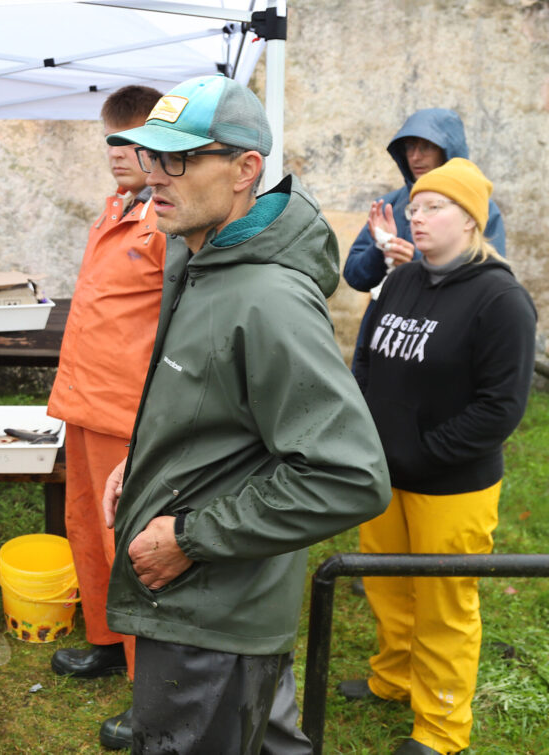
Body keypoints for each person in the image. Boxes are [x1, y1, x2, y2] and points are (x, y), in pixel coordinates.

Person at [99, 74, 392, 754]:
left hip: (212, 610)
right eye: (150, 157)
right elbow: (220, 410)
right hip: (208, 606)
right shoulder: (199, 255)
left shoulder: (267, 299)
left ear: (245, 169)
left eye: (177, 159)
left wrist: (192, 537)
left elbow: (348, 476)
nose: (154, 178)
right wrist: (143, 463)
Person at [339, 158, 536, 755]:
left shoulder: (501, 301)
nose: (415, 217)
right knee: (388, 588)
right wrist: (371, 438)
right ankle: (394, 678)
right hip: (384, 475)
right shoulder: (401, 279)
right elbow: (367, 356)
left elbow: (499, 408)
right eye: (414, 206)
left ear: (471, 221)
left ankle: (442, 731)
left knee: (445, 605)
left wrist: (422, 456)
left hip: (451, 487)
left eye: (433, 207)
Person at [44, 84, 165, 749]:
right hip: (83, 403)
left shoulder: (169, 222)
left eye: (133, 138)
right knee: (86, 527)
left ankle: (153, 686)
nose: (118, 151)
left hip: (130, 412)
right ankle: (107, 640)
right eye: (111, 139)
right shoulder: (116, 208)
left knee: (133, 543)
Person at [343, 108, 506, 376]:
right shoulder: (391, 205)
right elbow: (354, 275)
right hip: (385, 335)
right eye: (409, 147)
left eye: (426, 147)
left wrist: (415, 264)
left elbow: (489, 277)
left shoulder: (479, 208)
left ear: (448, 150)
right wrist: (382, 249)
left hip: (445, 339)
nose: (415, 156)